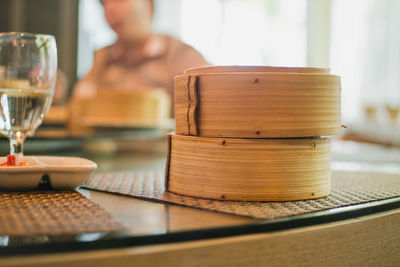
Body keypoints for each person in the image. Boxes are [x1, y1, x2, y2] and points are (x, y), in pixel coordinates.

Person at [73, 0, 208, 99]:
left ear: (149, 5)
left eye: (118, 1)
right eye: (103, 4)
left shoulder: (180, 54)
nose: (109, 9)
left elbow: (214, 97)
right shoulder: (103, 58)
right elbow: (78, 104)